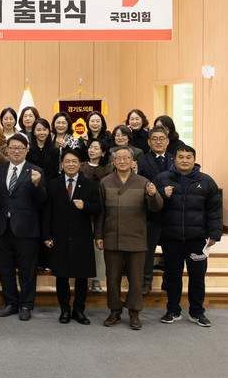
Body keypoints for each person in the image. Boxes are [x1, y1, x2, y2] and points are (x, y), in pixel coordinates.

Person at [95, 146, 162, 330]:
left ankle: (134, 313)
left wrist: (153, 195)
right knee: (112, 278)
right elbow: (100, 212)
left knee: (136, 279)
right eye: (118, 158)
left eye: (126, 158)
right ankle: (114, 311)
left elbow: (156, 207)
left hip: (136, 238)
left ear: (133, 162)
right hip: (112, 237)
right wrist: (98, 235)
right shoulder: (105, 182)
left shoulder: (143, 182)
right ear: (113, 161)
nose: (122, 161)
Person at [155, 145, 222, 327]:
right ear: (174, 159)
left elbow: (214, 210)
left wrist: (214, 233)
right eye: (181, 157)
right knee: (172, 276)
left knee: (197, 277)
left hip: (197, 240)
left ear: (194, 159)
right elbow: (152, 204)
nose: (184, 160)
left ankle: (197, 312)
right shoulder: (162, 179)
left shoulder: (206, 181)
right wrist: (161, 194)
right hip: (171, 238)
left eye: (188, 157)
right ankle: (173, 310)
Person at [0, 134, 47, 321]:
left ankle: (26, 305)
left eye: (20, 148)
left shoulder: (36, 171)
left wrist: (37, 185)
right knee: (5, 269)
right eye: (12, 148)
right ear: (7, 150)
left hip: (27, 229)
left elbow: (42, 202)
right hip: (3, 228)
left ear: (26, 150)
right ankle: (11, 302)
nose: (16, 151)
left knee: (27, 270)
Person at [43, 149, 101, 325]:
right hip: (59, 236)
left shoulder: (89, 184)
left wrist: (86, 206)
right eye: (67, 161)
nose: (70, 164)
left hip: (81, 237)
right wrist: (47, 235)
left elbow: (98, 209)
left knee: (82, 276)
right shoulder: (53, 184)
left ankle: (79, 310)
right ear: (62, 164)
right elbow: (47, 212)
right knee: (61, 276)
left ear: (79, 164)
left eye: (74, 161)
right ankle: (64, 310)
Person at [136, 126, 174, 295]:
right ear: (149, 142)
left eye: (161, 138)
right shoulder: (142, 161)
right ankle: (146, 282)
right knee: (148, 250)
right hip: (150, 212)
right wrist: (159, 193)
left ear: (167, 141)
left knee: (171, 250)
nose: (158, 142)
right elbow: (140, 186)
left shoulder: (175, 160)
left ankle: (168, 280)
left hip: (171, 213)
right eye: (155, 139)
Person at [79, 137, 112, 293]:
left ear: (103, 152)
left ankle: (96, 280)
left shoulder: (108, 170)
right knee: (82, 248)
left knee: (98, 248)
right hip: (81, 213)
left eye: (96, 148)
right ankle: (82, 279)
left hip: (100, 213)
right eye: (90, 147)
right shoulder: (80, 166)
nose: (92, 150)